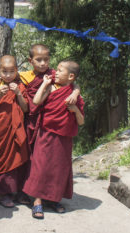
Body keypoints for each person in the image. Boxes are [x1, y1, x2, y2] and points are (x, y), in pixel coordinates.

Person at [23, 60, 85, 219]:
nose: (55, 73)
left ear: (71, 76)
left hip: (64, 137)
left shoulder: (74, 93)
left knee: (59, 169)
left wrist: (75, 108)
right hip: (46, 134)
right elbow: (36, 101)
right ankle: (37, 201)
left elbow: (81, 121)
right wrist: (44, 84)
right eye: (56, 69)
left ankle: (53, 199)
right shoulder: (51, 87)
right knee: (41, 166)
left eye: (59, 70)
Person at [0, 44, 80, 150]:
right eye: (38, 60)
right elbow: (6, 75)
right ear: (30, 61)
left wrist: (75, 93)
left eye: (46, 60)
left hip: (46, 118)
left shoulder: (52, 74)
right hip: (29, 118)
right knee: (29, 149)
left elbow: (73, 84)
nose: (43, 63)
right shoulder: (25, 75)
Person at [0, 55, 30, 208]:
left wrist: (18, 93)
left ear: (16, 70)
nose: (8, 75)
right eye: (4, 71)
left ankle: (17, 191)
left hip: (16, 130)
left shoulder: (21, 86)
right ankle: (2, 194)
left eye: (11, 71)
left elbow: (25, 109)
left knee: (18, 159)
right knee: (0, 159)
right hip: (0, 130)